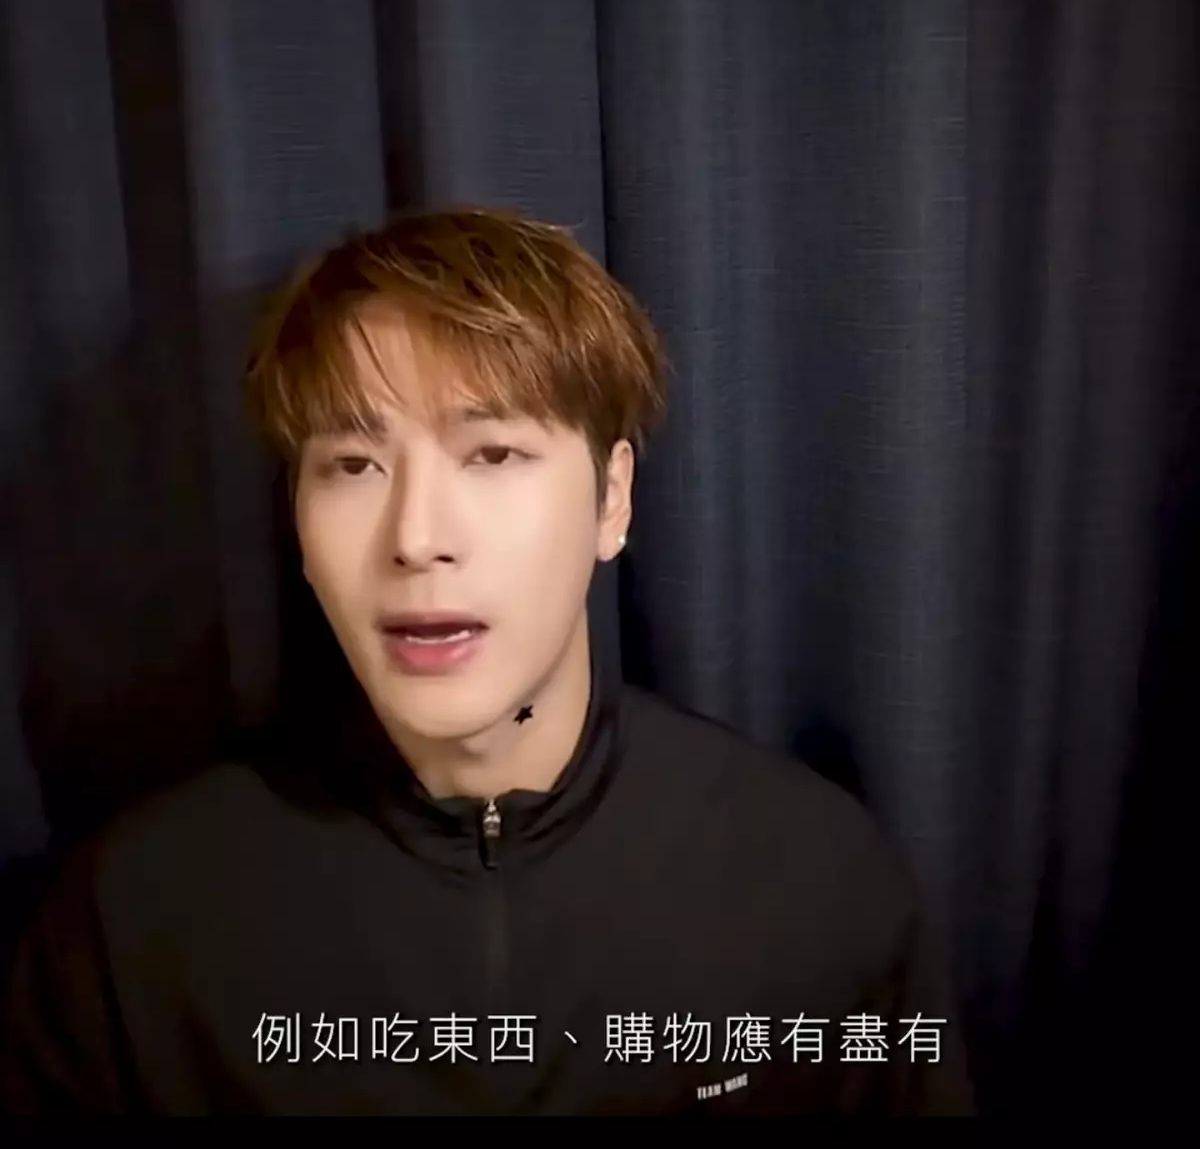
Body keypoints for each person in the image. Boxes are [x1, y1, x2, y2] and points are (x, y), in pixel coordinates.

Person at [0, 206, 974, 1116]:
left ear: (612, 499)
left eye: (493, 455)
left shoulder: (817, 880)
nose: (417, 538)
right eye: (353, 466)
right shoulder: (135, 929)